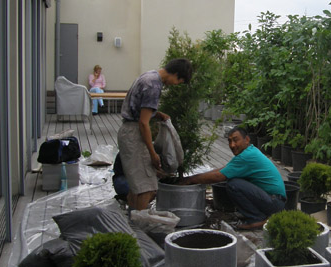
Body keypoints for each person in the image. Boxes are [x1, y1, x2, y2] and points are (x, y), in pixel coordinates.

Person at [117, 58, 192, 211]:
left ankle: (132, 219)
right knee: (147, 187)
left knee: (136, 186)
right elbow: (143, 123)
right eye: (179, 81)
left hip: (127, 131)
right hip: (133, 134)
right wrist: (153, 153)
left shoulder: (149, 75)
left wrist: (157, 114)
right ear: (176, 74)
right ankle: (140, 222)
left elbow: (140, 107)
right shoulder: (154, 86)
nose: (176, 85)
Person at [179, 126, 286, 230]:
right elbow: (224, 169)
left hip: (274, 202)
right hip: (273, 199)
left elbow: (219, 176)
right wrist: (194, 177)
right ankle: (257, 215)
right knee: (235, 181)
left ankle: (256, 219)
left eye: (235, 140)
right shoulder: (249, 151)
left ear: (247, 139)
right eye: (229, 141)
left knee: (233, 184)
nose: (232, 145)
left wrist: (190, 180)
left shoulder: (246, 156)